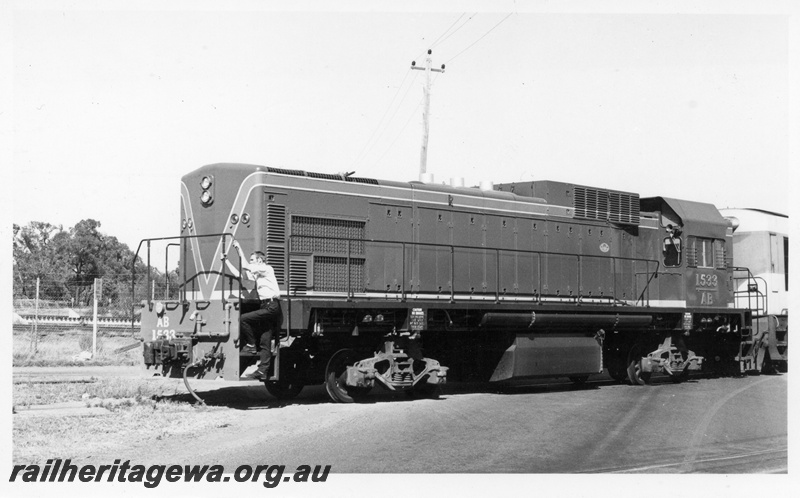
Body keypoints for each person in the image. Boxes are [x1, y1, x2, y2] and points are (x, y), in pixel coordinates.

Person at [222, 240, 282, 381]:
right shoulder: (258, 274)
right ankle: (262, 371)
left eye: (253, 260)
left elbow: (245, 266)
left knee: (243, 318)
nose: (251, 262)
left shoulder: (267, 269)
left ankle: (250, 345)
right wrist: (226, 261)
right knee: (265, 340)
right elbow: (240, 274)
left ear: (260, 261)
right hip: (266, 306)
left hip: (271, 306)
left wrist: (238, 248)